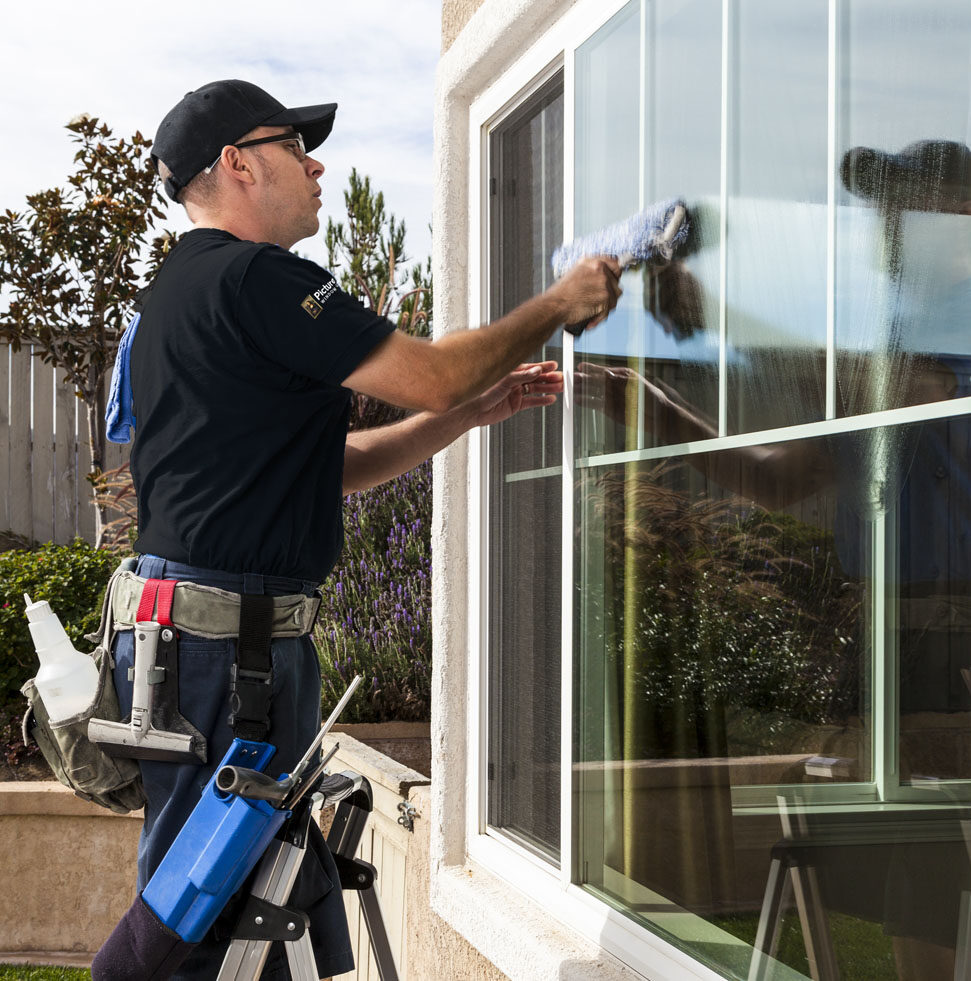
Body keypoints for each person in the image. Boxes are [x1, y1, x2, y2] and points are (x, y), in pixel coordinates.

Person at [112, 78, 621, 980]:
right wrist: (557, 301)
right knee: (206, 905)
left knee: (232, 888)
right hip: (231, 653)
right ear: (235, 164)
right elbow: (427, 372)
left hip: (193, 642)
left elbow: (324, 468)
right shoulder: (258, 278)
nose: (316, 165)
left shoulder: (169, 300)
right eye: (291, 146)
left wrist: (463, 418)